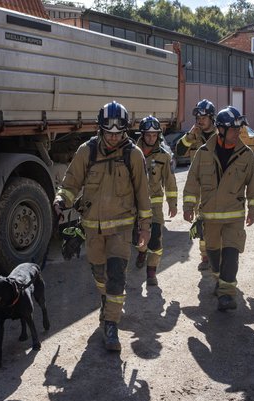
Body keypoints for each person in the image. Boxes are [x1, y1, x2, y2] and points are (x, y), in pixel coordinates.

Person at [53, 101, 152, 352]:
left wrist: (145, 227)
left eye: (118, 134)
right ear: (100, 129)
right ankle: (106, 303)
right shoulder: (87, 151)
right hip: (93, 230)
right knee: (100, 277)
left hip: (121, 230)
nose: (113, 138)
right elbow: (71, 182)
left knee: (117, 276)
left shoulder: (134, 155)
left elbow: (143, 194)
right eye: (109, 133)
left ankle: (111, 325)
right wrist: (61, 199)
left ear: (125, 132)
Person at [182, 107, 254, 311]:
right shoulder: (203, 153)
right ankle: (219, 278)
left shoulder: (246, 154)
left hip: (234, 216)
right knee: (214, 256)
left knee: (232, 253)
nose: (238, 133)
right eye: (233, 130)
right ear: (221, 130)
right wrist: (188, 206)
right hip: (209, 217)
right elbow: (192, 182)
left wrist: (253, 209)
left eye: (239, 129)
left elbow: (253, 184)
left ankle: (227, 294)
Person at [134, 116, 178, 286]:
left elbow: (170, 181)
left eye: (154, 135)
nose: (151, 138)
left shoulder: (163, 156)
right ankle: (141, 252)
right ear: (143, 135)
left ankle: (151, 272)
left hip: (155, 207)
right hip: (135, 208)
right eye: (148, 135)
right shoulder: (132, 153)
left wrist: (172, 203)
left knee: (156, 240)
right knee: (139, 240)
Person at [178, 99, 219, 271]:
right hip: (200, 186)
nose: (199, 121)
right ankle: (205, 257)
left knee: (219, 222)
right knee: (202, 223)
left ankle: (219, 253)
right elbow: (179, 151)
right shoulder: (193, 135)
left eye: (203, 117)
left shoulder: (221, 134)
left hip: (218, 185)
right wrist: (189, 136)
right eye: (197, 117)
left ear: (211, 118)